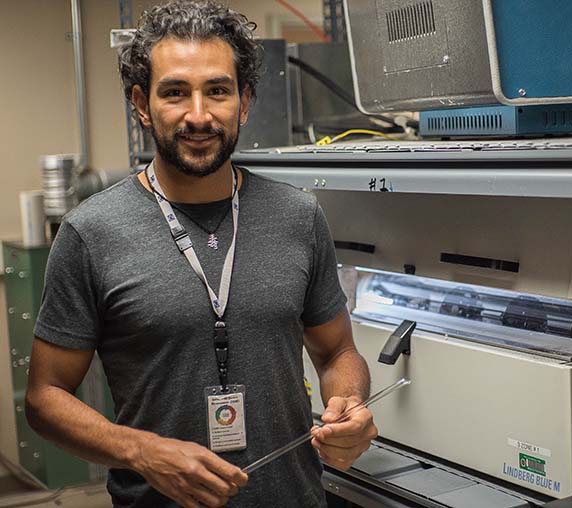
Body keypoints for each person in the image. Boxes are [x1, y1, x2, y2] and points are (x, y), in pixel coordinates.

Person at [24, 2, 376, 507]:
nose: (198, 115)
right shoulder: (91, 232)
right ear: (142, 104)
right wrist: (141, 450)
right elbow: (45, 397)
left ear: (245, 101)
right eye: (174, 93)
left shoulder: (298, 216)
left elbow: (337, 351)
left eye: (217, 90)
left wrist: (349, 403)